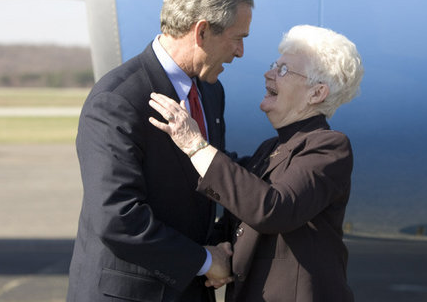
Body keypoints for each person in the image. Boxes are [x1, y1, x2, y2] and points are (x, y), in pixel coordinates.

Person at [67, 0, 253, 302]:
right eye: (238, 37)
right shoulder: (118, 100)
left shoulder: (211, 92)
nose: (239, 51)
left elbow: (207, 176)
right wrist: (206, 261)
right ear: (202, 31)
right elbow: (118, 217)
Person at [148, 25, 364, 301]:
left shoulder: (329, 147)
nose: (268, 73)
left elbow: (273, 208)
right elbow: (238, 218)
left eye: (283, 70)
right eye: (275, 65)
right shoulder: (271, 148)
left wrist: (195, 145)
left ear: (316, 93)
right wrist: (207, 256)